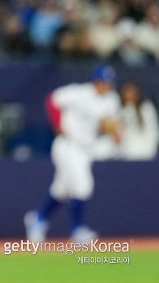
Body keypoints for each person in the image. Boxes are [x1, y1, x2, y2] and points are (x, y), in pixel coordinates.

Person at [25, 64, 121, 244]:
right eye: (103, 82)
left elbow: (106, 123)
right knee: (83, 185)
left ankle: (38, 218)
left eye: (108, 83)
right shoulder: (80, 93)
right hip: (67, 145)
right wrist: (57, 124)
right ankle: (77, 229)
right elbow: (52, 100)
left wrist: (113, 129)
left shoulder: (111, 99)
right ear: (95, 81)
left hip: (86, 149)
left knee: (61, 190)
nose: (106, 86)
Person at [118, 81, 159, 160]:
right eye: (127, 92)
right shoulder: (119, 110)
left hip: (146, 152)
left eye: (132, 92)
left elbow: (153, 131)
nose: (129, 95)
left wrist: (150, 150)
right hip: (125, 154)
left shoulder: (146, 108)